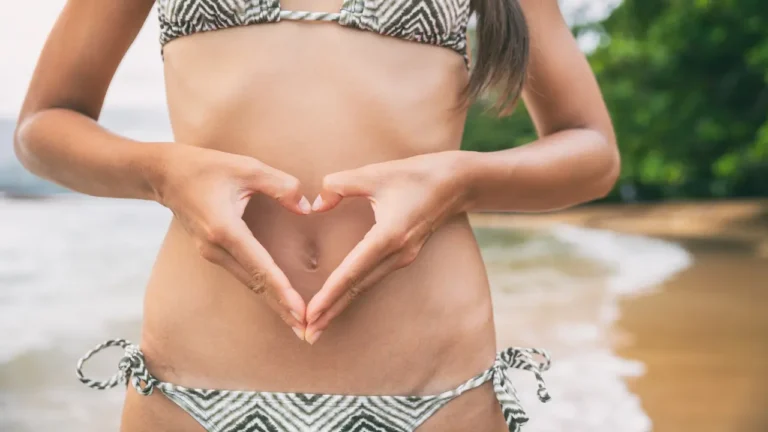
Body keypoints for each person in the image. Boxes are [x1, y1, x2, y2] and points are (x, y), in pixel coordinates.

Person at [14, 0, 619, 430]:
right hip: (189, 389)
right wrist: (163, 173)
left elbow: (590, 149)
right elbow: (44, 126)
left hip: (437, 391)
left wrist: (458, 177)